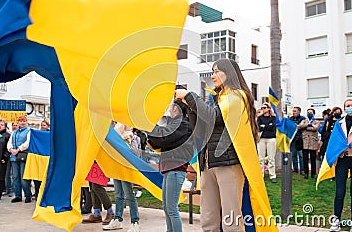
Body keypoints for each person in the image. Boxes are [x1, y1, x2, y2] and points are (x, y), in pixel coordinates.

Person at [175, 59, 275, 232]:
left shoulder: (237, 96)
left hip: (228, 164)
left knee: (231, 223)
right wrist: (189, 107)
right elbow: (200, 128)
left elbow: (214, 117)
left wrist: (190, 96)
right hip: (208, 163)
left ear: (229, 74)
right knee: (208, 221)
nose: (212, 76)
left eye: (216, 72)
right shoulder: (218, 98)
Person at [148, 100, 193, 232]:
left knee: (172, 208)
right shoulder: (175, 124)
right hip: (169, 169)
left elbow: (164, 139)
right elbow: (160, 142)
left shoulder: (183, 125)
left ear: (176, 110)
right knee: (167, 207)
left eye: (172, 107)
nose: (170, 109)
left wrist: (150, 127)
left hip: (176, 169)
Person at [327, 99, 352, 232]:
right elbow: (334, 141)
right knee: (339, 191)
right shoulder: (338, 123)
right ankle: (336, 220)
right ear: (344, 108)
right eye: (348, 106)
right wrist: (336, 153)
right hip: (342, 160)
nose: (350, 108)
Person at [103, 122, 140, 232]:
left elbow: (115, 135)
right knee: (118, 193)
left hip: (125, 162)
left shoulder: (124, 122)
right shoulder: (112, 122)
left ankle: (135, 221)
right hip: (116, 160)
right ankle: (117, 219)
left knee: (129, 193)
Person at [7, 116, 33, 203]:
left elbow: (28, 143)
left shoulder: (29, 131)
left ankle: (27, 195)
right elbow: (9, 143)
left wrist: (18, 149)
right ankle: (18, 195)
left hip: (23, 156)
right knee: (15, 177)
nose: (22, 122)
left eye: (24, 121)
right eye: (20, 121)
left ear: (27, 122)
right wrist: (11, 149)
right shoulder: (14, 133)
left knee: (24, 177)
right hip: (14, 157)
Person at [257, 102, 277, 183]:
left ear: (269, 108)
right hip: (261, 139)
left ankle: (272, 175)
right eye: (262, 108)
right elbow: (258, 127)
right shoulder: (260, 118)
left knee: (271, 158)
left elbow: (273, 127)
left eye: (264, 107)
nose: (263, 109)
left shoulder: (273, 117)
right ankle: (261, 175)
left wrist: (264, 126)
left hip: (271, 138)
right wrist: (268, 126)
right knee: (260, 158)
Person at [298, 108, 319, 179]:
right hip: (305, 141)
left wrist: (306, 127)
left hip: (313, 141)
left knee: (313, 158)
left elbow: (315, 128)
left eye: (311, 112)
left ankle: (313, 173)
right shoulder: (304, 120)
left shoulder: (316, 121)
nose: (309, 113)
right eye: (308, 112)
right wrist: (309, 125)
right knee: (305, 158)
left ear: (313, 113)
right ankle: (306, 173)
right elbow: (300, 126)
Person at [289, 106, 305, 174]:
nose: (293, 112)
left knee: (301, 155)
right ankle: (295, 169)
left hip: (300, 139)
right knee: (293, 155)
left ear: (299, 112)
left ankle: (302, 170)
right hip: (292, 139)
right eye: (293, 111)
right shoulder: (290, 119)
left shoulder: (303, 118)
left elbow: (303, 126)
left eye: (295, 111)